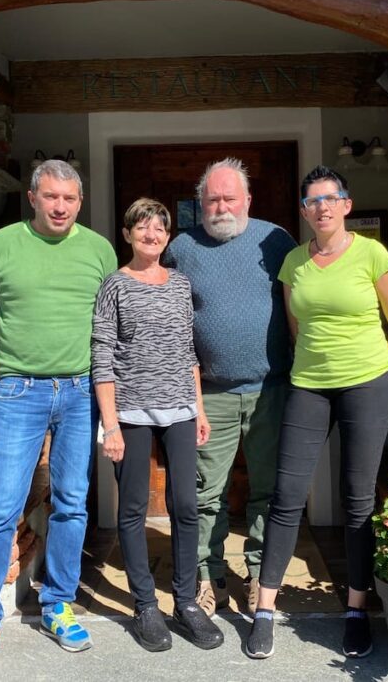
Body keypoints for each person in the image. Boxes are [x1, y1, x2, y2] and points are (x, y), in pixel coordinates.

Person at [0, 160, 116, 676]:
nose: (60, 206)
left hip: (80, 390)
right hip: (19, 393)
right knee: (1, 507)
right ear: (32, 197)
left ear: (80, 202)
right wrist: (11, 362)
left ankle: (58, 606)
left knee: (70, 503)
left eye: (69, 198)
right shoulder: (0, 246)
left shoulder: (98, 250)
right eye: (50, 197)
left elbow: (110, 321)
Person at [245, 165, 388, 660]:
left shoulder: (372, 254)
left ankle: (357, 610)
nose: (321, 207)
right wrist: (317, 366)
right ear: (303, 211)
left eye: (330, 197)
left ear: (346, 204)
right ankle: (264, 611)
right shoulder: (294, 263)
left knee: (358, 499)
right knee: (286, 495)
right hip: (309, 388)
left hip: (368, 386)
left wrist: (380, 378)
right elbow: (297, 324)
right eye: (312, 200)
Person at [162, 158, 297, 616]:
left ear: (247, 201)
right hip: (211, 393)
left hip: (271, 388)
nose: (221, 207)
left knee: (268, 489)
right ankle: (208, 576)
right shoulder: (182, 248)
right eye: (212, 199)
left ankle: (261, 573)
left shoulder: (277, 240)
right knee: (206, 493)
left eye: (229, 198)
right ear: (200, 203)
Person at [91, 198, 225, 652]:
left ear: (168, 236)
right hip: (130, 413)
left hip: (181, 411)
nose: (151, 234)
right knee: (131, 510)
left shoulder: (179, 284)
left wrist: (200, 408)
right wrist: (109, 425)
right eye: (142, 227)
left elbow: (188, 350)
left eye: (159, 228)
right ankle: (145, 605)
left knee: (186, 506)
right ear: (127, 234)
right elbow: (102, 355)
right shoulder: (115, 285)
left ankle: (185, 602)